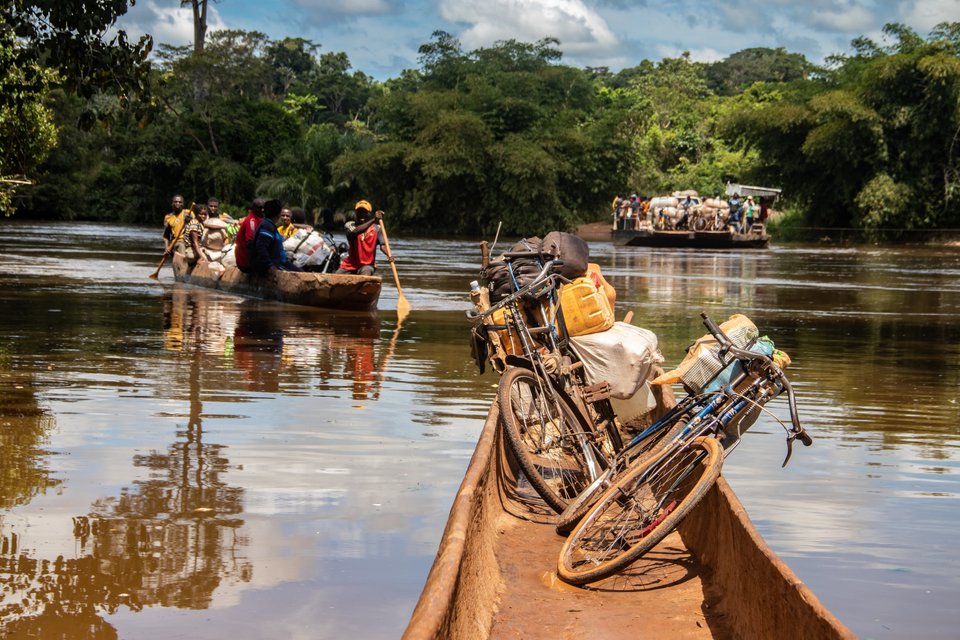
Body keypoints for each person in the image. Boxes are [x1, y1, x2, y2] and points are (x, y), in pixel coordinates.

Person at [336, 200, 391, 276]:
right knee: (336, 276)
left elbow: (383, 246)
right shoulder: (350, 225)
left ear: (369, 214)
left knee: (366, 272)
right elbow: (355, 231)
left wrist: (389, 255)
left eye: (365, 212)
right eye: (359, 212)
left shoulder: (377, 229)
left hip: (367, 265)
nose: (362, 214)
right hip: (350, 264)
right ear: (356, 213)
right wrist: (374, 219)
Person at [252, 199, 303, 274]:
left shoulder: (270, 225)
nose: (284, 218)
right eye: (282, 214)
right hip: (277, 263)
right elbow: (261, 247)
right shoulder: (267, 226)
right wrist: (270, 266)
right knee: (301, 274)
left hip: (280, 261)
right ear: (278, 215)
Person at [234, 198, 266, 274]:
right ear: (254, 208)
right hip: (245, 261)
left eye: (264, 207)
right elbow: (251, 244)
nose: (262, 210)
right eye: (260, 208)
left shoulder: (260, 218)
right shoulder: (252, 220)